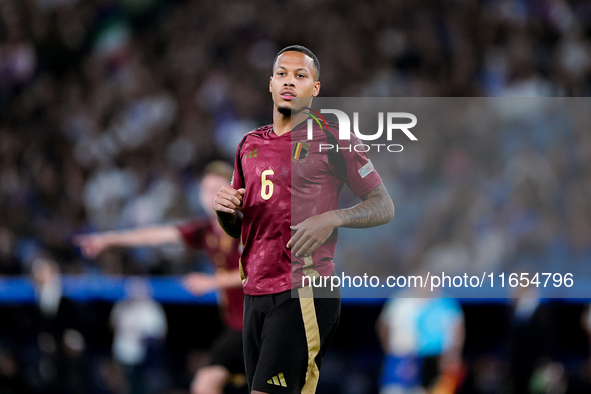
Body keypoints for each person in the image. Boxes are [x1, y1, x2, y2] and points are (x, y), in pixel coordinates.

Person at [213, 45, 395, 394]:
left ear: (315, 88)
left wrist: (333, 217)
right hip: (255, 290)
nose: (289, 82)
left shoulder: (332, 138)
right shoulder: (248, 144)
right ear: (270, 83)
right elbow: (239, 228)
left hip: (305, 288)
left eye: (300, 75)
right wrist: (226, 215)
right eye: (282, 74)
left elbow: (383, 205)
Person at [74, 161, 245, 394]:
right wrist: (107, 240)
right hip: (236, 324)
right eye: (205, 190)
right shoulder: (205, 230)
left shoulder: (246, 227)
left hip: (257, 320)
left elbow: (260, 272)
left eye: (216, 189)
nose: (209, 196)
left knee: (207, 384)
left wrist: (210, 282)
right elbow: (156, 235)